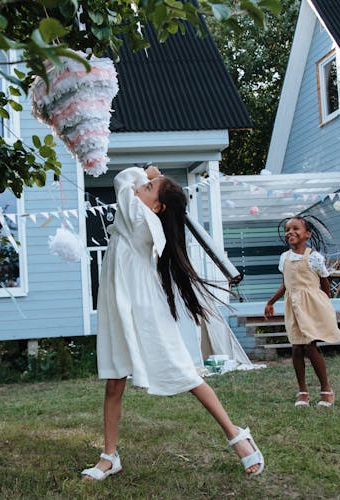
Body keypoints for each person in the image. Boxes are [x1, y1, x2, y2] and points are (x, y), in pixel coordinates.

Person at [81, 165, 264, 481]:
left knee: (184, 372)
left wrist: (144, 172)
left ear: (157, 207)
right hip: (119, 305)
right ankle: (109, 456)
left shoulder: (139, 216)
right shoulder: (142, 213)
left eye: (149, 188)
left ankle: (238, 436)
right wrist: (153, 180)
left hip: (143, 310)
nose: (142, 186)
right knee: (114, 378)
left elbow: (122, 179)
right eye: (146, 185)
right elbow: (132, 187)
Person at [264, 216, 340, 408]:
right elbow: (285, 284)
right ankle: (302, 391)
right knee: (296, 347)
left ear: (307, 234)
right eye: (287, 229)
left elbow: (325, 284)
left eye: (296, 228)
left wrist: (322, 306)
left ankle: (326, 389)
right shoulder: (285, 258)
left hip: (312, 306)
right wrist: (271, 302)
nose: (290, 232)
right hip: (293, 307)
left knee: (309, 345)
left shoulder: (314, 257)